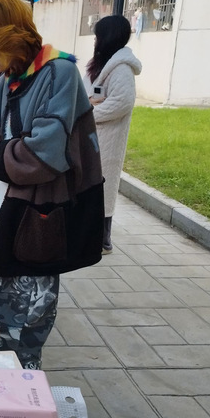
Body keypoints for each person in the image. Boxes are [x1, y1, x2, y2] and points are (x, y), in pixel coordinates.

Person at [0, 0, 104, 370]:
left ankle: (20, 403)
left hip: (34, 228)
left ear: (5, 38)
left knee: (20, 346)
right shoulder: (9, 80)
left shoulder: (59, 73)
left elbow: (41, 156)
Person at [83, 15, 142, 254]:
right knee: (90, 186)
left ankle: (103, 241)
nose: (95, 40)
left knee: (104, 189)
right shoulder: (99, 64)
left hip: (108, 139)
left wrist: (88, 113)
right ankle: (89, 238)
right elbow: (86, 95)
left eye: (98, 36)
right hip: (91, 137)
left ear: (107, 37)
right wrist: (87, 105)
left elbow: (121, 103)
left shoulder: (121, 69)